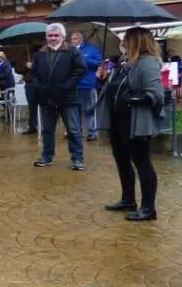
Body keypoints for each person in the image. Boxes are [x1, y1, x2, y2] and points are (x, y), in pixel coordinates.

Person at [97, 27, 164, 221]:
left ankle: (148, 208)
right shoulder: (126, 64)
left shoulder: (148, 64)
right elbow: (115, 89)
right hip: (118, 119)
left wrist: (133, 100)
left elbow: (155, 94)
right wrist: (104, 79)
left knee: (142, 163)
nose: (122, 43)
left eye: (125, 39)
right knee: (122, 161)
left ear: (136, 42)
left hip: (134, 121)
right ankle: (128, 200)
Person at [31, 23, 87, 170]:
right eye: (50, 35)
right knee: (47, 130)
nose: (53, 38)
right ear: (46, 37)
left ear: (62, 36)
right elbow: (34, 75)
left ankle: (77, 159)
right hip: (47, 98)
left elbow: (80, 71)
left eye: (56, 35)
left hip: (68, 98)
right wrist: (41, 88)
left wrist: (66, 87)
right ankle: (46, 156)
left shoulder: (73, 51)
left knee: (73, 130)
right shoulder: (40, 53)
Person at [70, 31, 102, 142]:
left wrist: (84, 59)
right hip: (73, 85)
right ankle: (77, 132)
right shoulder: (70, 50)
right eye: (71, 39)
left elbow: (98, 62)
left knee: (89, 109)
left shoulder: (91, 49)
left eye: (74, 38)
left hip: (87, 84)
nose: (72, 41)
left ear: (80, 39)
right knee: (75, 110)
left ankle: (92, 132)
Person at [0, 52, 17, 122]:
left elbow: (6, 74)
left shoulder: (6, 64)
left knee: (6, 98)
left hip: (8, 84)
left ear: (0, 57)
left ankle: (9, 113)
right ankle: (7, 111)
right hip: (1, 85)